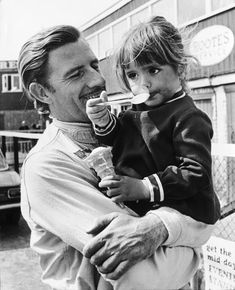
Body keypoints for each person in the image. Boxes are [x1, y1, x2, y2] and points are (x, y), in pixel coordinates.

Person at [19, 24, 217, 290]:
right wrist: (191, 246)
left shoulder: (130, 127)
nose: (97, 80)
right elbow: (144, 275)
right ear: (42, 93)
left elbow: (199, 196)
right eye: (76, 74)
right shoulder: (47, 166)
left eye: (94, 66)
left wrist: (163, 226)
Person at [86, 16, 220, 221]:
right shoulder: (135, 111)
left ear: (180, 69)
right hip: (140, 209)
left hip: (181, 213)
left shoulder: (188, 116)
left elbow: (196, 174)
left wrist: (143, 187)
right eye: (133, 75)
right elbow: (118, 139)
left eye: (153, 70)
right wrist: (103, 120)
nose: (143, 83)